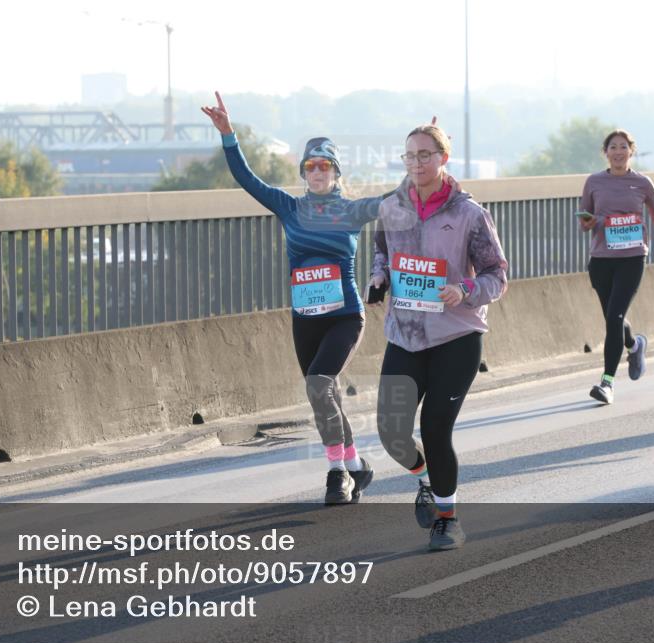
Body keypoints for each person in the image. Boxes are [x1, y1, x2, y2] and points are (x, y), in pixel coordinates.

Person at [201, 92, 387, 505]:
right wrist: (229, 135)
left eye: (324, 165)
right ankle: (357, 465)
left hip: (344, 317)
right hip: (305, 319)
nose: (317, 171)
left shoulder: (351, 211)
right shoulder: (289, 208)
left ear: (336, 172)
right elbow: (247, 180)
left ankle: (336, 473)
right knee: (326, 394)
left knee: (320, 384)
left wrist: (422, 162)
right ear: (304, 173)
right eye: (310, 166)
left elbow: (393, 201)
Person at [369, 124, 508, 550]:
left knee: (434, 429)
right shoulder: (391, 207)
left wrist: (463, 290)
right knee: (392, 431)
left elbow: (497, 275)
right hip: (404, 334)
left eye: (425, 155)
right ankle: (425, 480)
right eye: (409, 156)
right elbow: (381, 251)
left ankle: (448, 519)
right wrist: (378, 276)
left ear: (443, 159)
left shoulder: (468, 213)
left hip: (456, 337)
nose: (416, 163)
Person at [577, 129, 654, 405]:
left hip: (632, 258)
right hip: (601, 260)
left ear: (631, 151)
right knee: (613, 316)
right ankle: (635, 345)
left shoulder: (642, 183)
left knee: (614, 318)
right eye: (613, 147)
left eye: (623, 147)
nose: (618, 152)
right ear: (606, 153)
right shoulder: (594, 182)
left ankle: (606, 383)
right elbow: (584, 219)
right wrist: (588, 222)